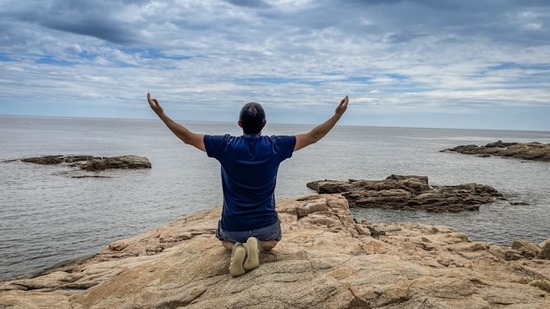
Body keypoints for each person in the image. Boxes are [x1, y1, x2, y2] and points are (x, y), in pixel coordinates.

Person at [147, 93, 349, 276]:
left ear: (239, 124)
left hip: (233, 225)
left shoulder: (225, 145)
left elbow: (186, 137)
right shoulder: (276, 145)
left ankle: (236, 248)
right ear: (264, 123)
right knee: (272, 242)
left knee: (224, 240)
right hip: (265, 224)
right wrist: (337, 115)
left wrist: (161, 114)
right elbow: (313, 136)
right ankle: (258, 247)